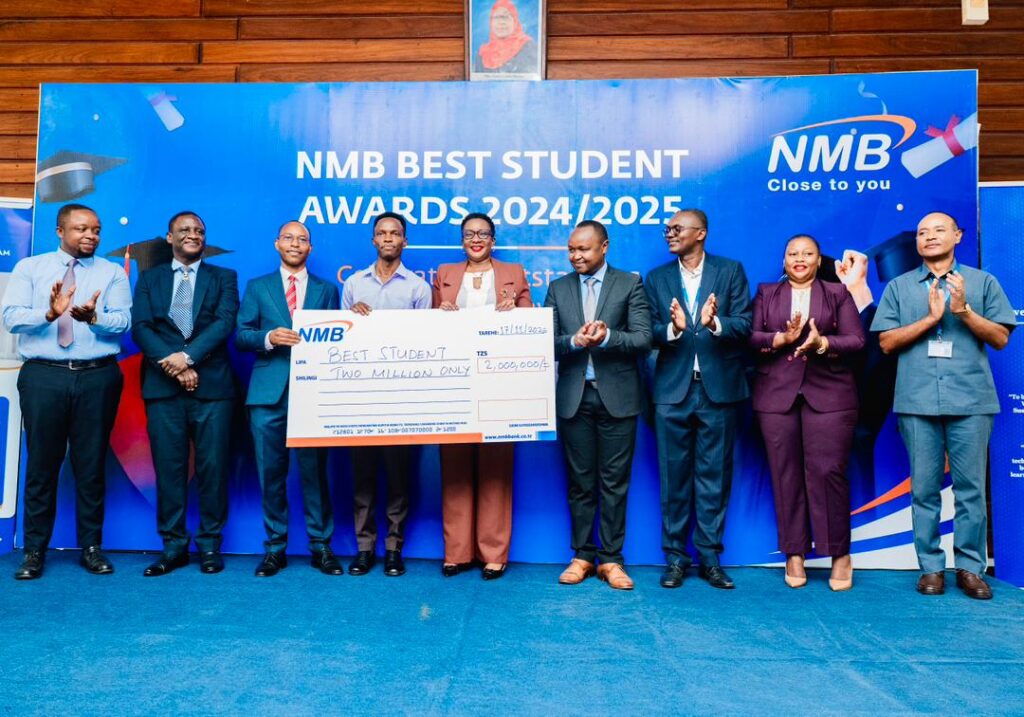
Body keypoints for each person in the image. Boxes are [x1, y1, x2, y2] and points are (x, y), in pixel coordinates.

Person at [871, 211, 1014, 600]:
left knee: (971, 489)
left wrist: (963, 310)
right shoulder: (900, 286)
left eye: (938, 230)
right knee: (924, 489)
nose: (929, 237)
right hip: (916, 401)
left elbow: (1000, 338)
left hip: (971, 400)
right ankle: (931, 567)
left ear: (958, 236)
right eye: (922, 232)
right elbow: (886, 343)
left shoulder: (982, 282)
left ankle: (970, 568)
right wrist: (931, 319)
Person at [2, 203, 130, 580]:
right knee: (42, 466)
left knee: (91, 466)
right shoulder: (30, 268)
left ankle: (91, 548)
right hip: (44, 376)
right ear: (60, 231)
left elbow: (123, 321)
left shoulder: (111, 272)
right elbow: (10, 317)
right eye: (81, 229)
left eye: (96, 229)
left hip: (97, 376)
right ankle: (34, 551)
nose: (91, 235)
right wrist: (48, 313)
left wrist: (94, 318)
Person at [750, 235, 865, 591]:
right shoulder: (767, 293)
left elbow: (857, 340)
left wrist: (822, 343)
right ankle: (794, 552)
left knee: (828, 472)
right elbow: (751, 337)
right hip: (776, 395)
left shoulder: (837, 293)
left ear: (818, 260)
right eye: (792, 253)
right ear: (784, 260)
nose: (799, 258)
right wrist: (780, 339)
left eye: (807, 253)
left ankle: (839, 554)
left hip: (830, 394)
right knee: (784, 474)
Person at [645, 209, 752, 590]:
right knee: (673, 478)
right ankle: (675, 558)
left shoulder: (730, 271)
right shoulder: (656, 278)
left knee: (714, 477)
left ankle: (709, 558)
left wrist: (715, 323)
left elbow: (745, 324)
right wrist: (672, 329)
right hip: (671, 392)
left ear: (701, 233)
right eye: (667, 229)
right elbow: (646, 331)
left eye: (677, 228)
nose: (669, 234)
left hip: (717, 390)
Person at [543, 220, 651, 590]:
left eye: (583, 249)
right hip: (574, 398)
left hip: (618, 398)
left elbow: (643, 339)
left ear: (604, 247)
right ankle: (583, 556)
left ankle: (611, 560)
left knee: (615, 483)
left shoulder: (629, 284)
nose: (576, 256)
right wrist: (573, 341)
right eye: (571, 250)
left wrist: (607, 337)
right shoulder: (558, 288)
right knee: (580, 483)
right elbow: (544, 342)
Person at [131, 210, 239, 577]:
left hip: (214, 390)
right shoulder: (150, 278)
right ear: (169, 237)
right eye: (185, 230)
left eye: (199, 230)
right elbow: (141, 327)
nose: (193, 235)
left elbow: (224, 323)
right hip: (163, 388)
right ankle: (173, 546)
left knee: (213, 469)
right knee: (169, 469)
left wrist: (188, 357)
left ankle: (209, 545)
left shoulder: (224, 277)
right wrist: (175, 364)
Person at [236, 220, 343, 577]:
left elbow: (339, 338)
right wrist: (268, 338)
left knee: (315, 474)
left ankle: (321, 546)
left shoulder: (327, 290)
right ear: (277, 244)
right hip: (268, 395)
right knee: (270, 474)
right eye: (289, 238)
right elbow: (241, 335)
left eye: (302, 239)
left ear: (310, 248)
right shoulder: (258, 287)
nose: (295, 243)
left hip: (313, 393)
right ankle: (274, 549)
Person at [432, 212, 532, 580]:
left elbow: (531, 323)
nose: (476, 239)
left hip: (499, 384)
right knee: (454, 468)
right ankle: (457, 552)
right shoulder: (445, 273)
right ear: (462, 241)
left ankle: (493, 552)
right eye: (469, 234)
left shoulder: (514, 273)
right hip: (454, 384)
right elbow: (426, 327)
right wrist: (439, 313)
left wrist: (513, 313)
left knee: (496, 469)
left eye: (483, 233)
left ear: (493, 240)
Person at [342, 212, 431, 578]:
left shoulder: (418, 288)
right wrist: (352, 318)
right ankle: (365, 549)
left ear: (404, 241)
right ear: (374, 240)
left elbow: (427, 343)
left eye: (395, 233)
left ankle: (394, 549)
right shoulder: (353, 285)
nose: (389, 238)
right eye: (382, 233)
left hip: (401, 399)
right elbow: (340, 340)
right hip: (361, 398)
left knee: (398, 479)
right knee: (362, 478)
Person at [473, 0, 538, 75]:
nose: (501, 22)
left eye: (506, 17)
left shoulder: (528, 47)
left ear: (515, 21)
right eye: (496, 17)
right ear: (490, 22)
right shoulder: (483, 54)